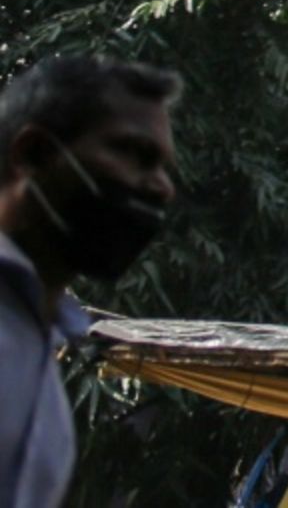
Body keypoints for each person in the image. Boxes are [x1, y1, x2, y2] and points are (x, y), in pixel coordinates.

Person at [0, 56, 179, 508]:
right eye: (134, 153)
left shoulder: (49, 401)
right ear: (34, 153)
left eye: (165, 168)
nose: (161, 187)